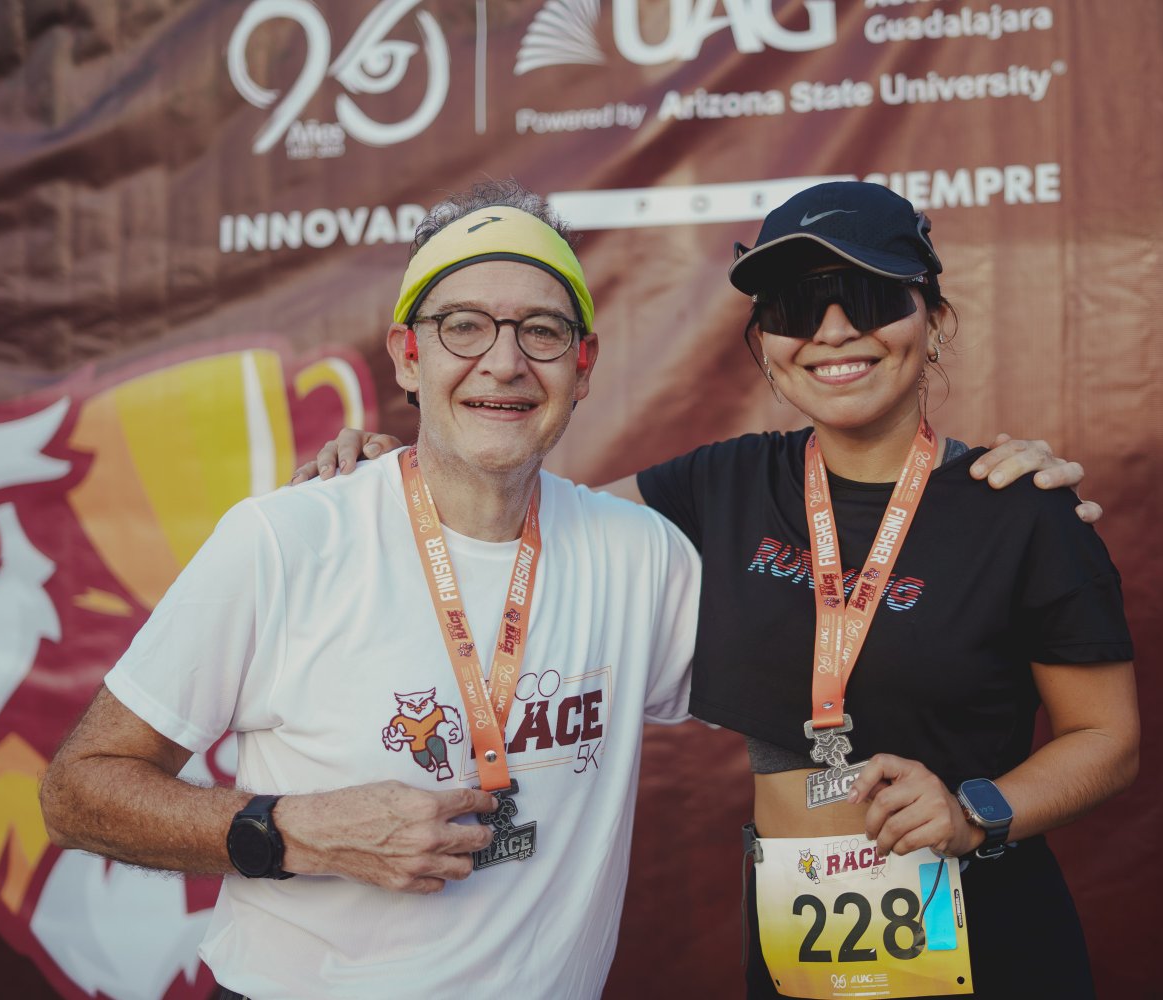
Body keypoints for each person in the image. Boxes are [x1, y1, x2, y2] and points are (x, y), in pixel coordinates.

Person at [305, 181, 1137, 999]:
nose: (833, 331)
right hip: (798, 965)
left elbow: (1107, 737)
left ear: (935, 322)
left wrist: (974, 812)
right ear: (766, 345)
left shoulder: (1019, 507)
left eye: (869, 297)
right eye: (794, 309)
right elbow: (520, 523)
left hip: (991, 949)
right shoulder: (722, 484)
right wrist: (399, 473)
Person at [38, 183, 706, 1000]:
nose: (505, 362)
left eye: (542, 330)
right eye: (463, 326)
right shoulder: (286, 538)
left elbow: (808, 705)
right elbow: (76, 792)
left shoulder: (642, 557)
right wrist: (296, 830)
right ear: (408, 355)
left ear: (583, 364)